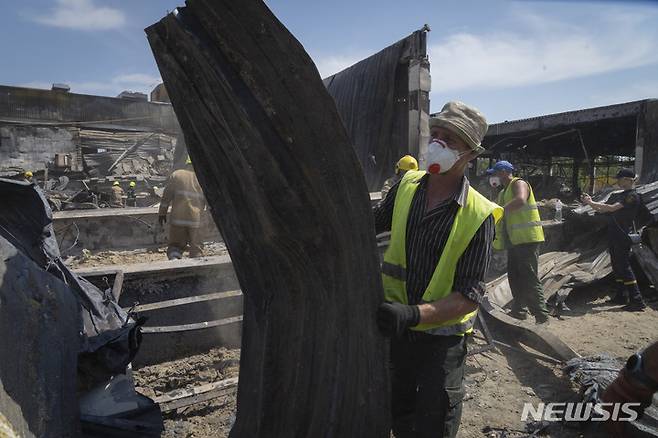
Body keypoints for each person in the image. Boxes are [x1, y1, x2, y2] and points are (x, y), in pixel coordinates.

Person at [374, 101, 502, 438]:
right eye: (437, 134)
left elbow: (470, 295)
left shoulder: (479, 214)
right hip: (398, 331)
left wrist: (414, 314)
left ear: (471, 154)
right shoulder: (406, 187)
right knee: (398, 409)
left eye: (452, 140)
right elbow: (367, 227)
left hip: (441, 340)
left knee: (434, 418)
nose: (438, 144)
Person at [488, 160, 549, 324]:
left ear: (503, 172)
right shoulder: (503, 192)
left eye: (495, 173)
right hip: (514, 240)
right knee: (514, 276)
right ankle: (519, 311)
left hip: (528, 238)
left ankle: (541, 316)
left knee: (529, 276)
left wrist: (498, 210)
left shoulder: (519, 183)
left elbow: (521, 200)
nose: (494, 177)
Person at [581, 168, 647, 311]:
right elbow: (604, 209)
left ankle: (637, 299)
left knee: (623, 266)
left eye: (620, 178)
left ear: (628, 180)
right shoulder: (621, 195)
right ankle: (621, 295)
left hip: (622, 235)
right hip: (614, 234)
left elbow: (611, 208)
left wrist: (590, 202)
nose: (618, 181)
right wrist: (591, 203)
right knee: (616, 265)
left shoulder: (632, 196)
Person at [158, 156, 206, 259]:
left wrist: (162, 213)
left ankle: (175, 265)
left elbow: (166, 197)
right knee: (197, 249)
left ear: (186, 164)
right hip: (195, 221)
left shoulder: (177, 175)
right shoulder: (203, 178)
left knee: (175, 247)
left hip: (178, 219)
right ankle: (197, 271)